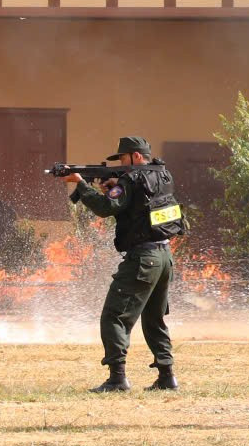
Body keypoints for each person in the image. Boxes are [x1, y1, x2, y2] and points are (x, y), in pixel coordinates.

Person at [64, 135, 186, 393]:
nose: (121, 162)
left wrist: (82, 185)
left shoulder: (130, 180)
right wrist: (114, 186)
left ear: (136, 157)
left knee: (114, 317)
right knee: (154, 319)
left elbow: (106, 208)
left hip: (143, 259)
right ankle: (167, 376)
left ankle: (117, 378)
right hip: (164, 257)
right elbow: (140, 207)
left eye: (123, 157)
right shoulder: (163, 176)